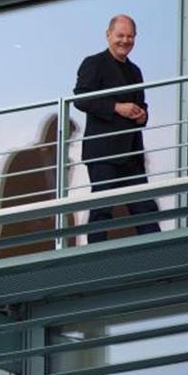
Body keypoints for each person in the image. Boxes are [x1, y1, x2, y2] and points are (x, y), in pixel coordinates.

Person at [73, 14, 160, 243]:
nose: (125, 40)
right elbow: (81, 99)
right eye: (120, 35)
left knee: (145, 207)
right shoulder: (94, 63)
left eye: (130, 36)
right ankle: (95, 259)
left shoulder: (135, 71)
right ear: (108, 35)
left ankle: (158, 256)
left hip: (130, 152)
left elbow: (142, 104)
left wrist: (142, 115)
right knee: (102, 208)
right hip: (103, 151)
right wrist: (117, 107)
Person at [0, 115, 79, 259]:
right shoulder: (24, 158)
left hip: (50, 241)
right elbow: (9, 197)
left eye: (69, 141)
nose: (67, 145)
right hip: (23, 239)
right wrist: (34, 222)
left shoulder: (64, 166)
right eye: (66, 139)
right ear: (54, 135)